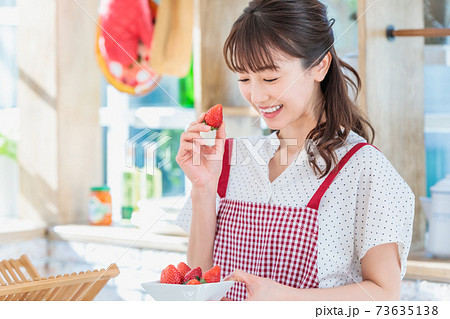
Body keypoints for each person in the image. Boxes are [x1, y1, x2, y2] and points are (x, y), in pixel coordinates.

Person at [175, 0, 414, 301]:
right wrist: (204, 188)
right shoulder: (231, 159)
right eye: (244, 79)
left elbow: (384, 296)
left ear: (319, 66)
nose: (257, 95)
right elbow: (199, 284)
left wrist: (287, 299)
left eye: (270, 78)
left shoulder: (364, 167)